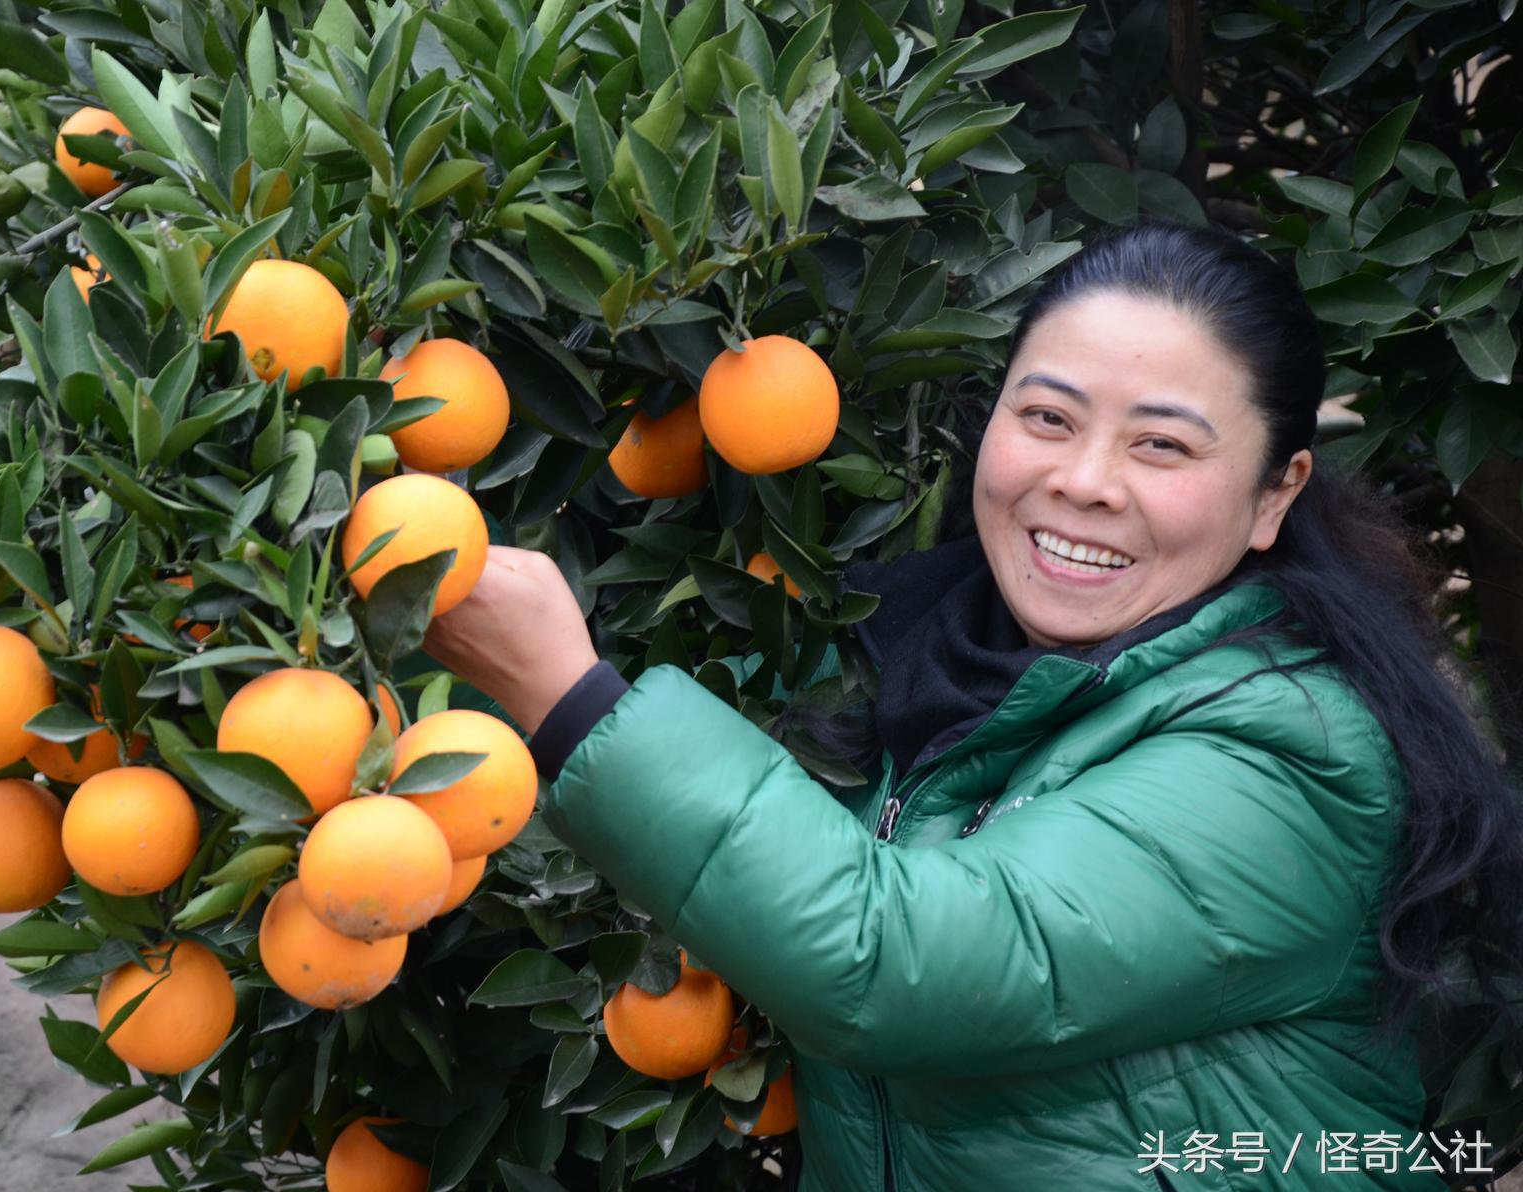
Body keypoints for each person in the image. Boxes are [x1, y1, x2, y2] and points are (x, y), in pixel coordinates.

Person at [422, 220, 1523, 1190]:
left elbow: (906, 960)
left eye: (1162, 445)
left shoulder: (1290, 751)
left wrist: (566, 698)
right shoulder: (920, 660)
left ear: (1273, 493)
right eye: (1047, 416)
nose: (1086, 479)